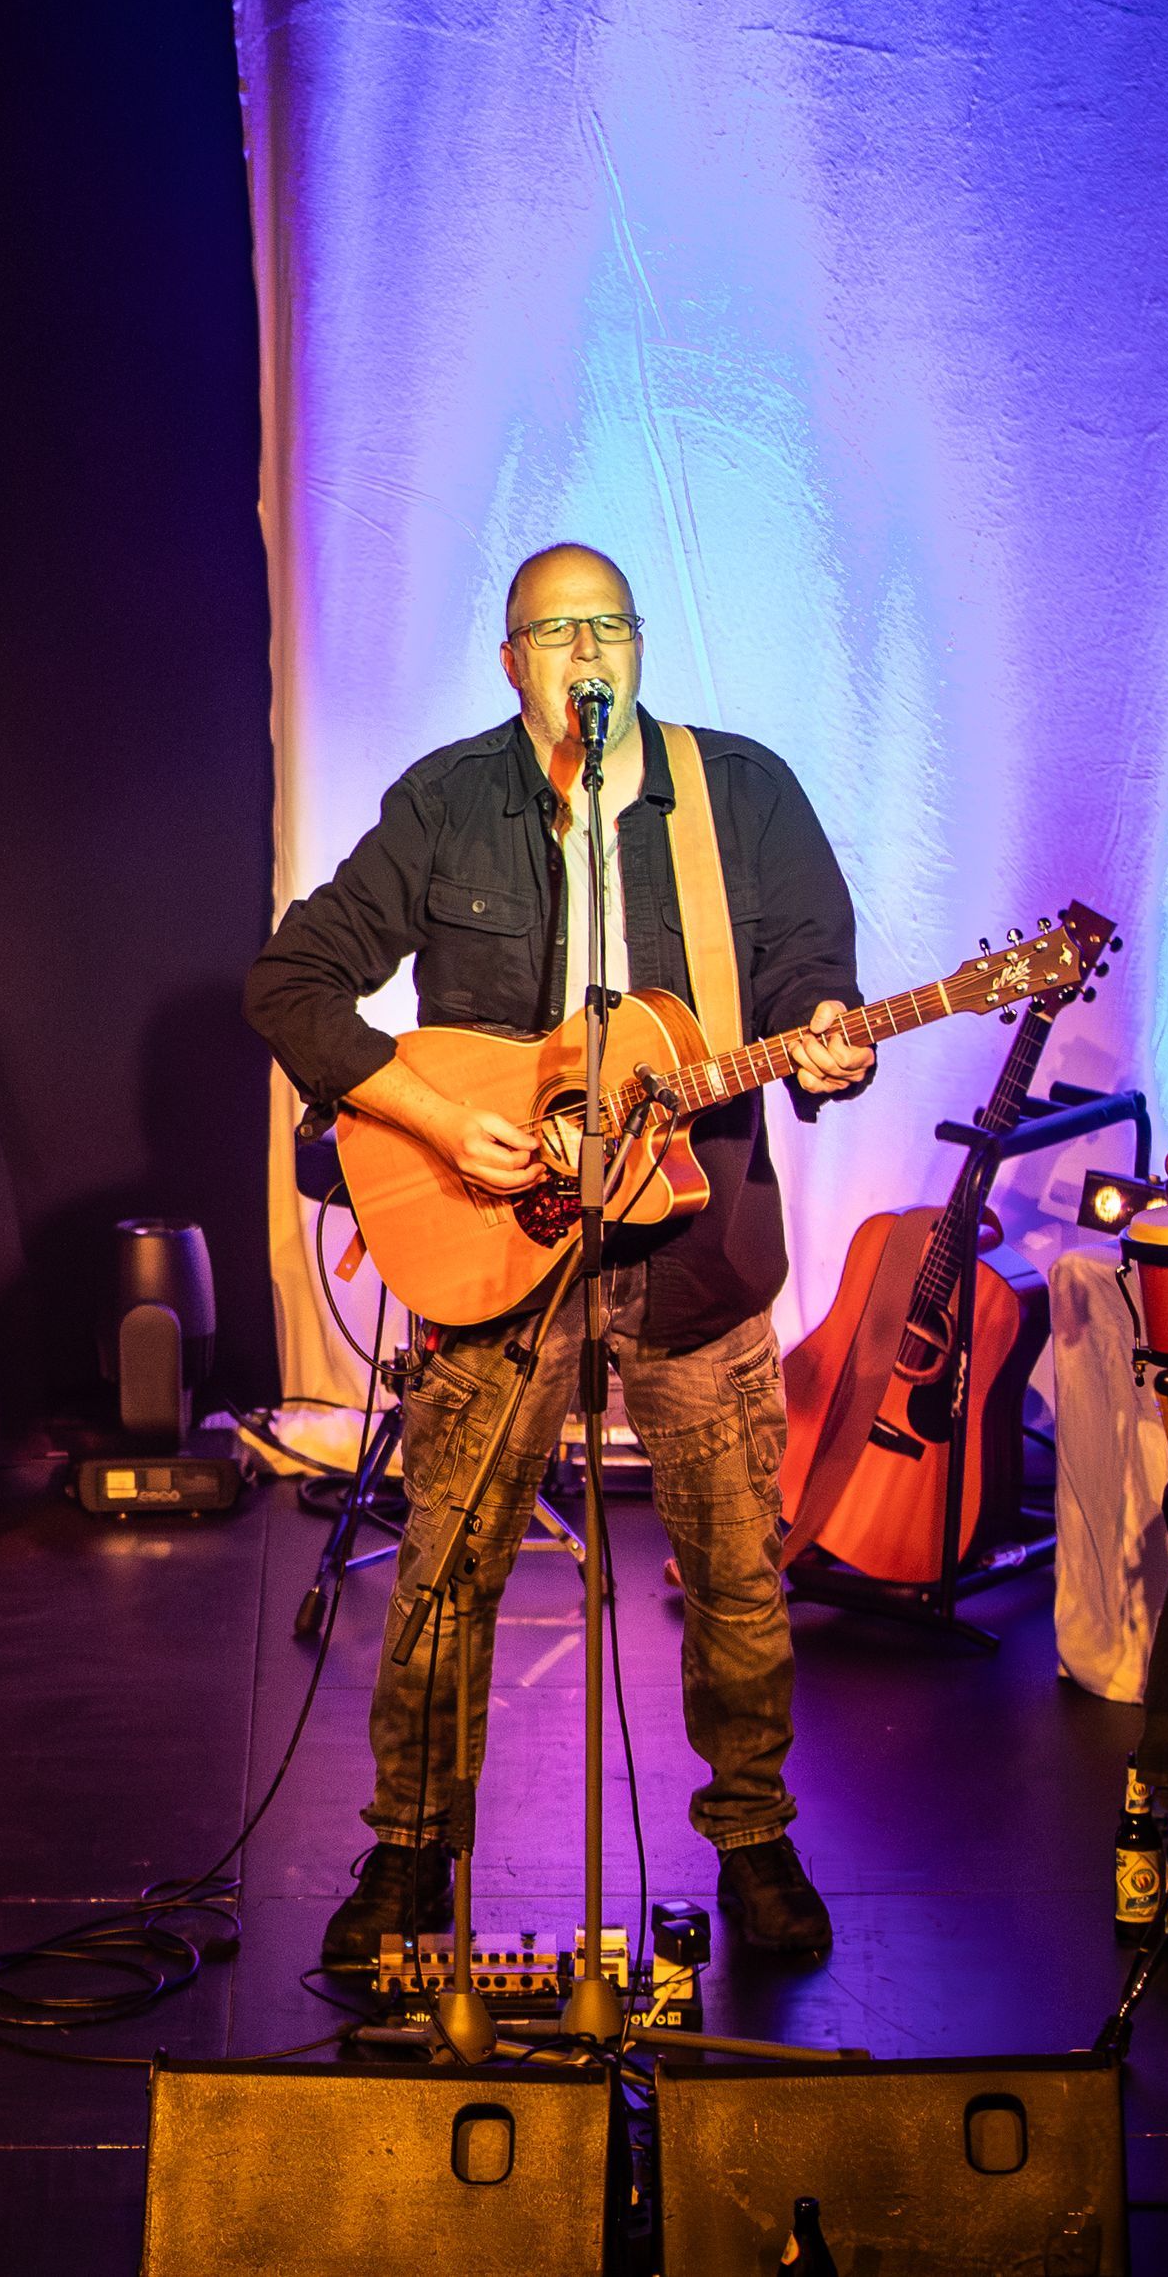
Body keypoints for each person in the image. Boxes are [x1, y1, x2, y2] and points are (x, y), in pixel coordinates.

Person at [246, 543, 874, 1964]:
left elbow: (803, 977)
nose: (587, 654)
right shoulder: (451, 801)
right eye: (557, 632)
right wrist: (438, 1120)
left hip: (698, 1249)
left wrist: (829, 1040)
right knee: (448, 1567)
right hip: (496, 1255)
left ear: (639, 648)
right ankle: (409, 1852)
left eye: (611, 629)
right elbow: (292, 983)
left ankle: (756, 1837)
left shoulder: (742, 794)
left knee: (733, 1568)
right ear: (512, 659)